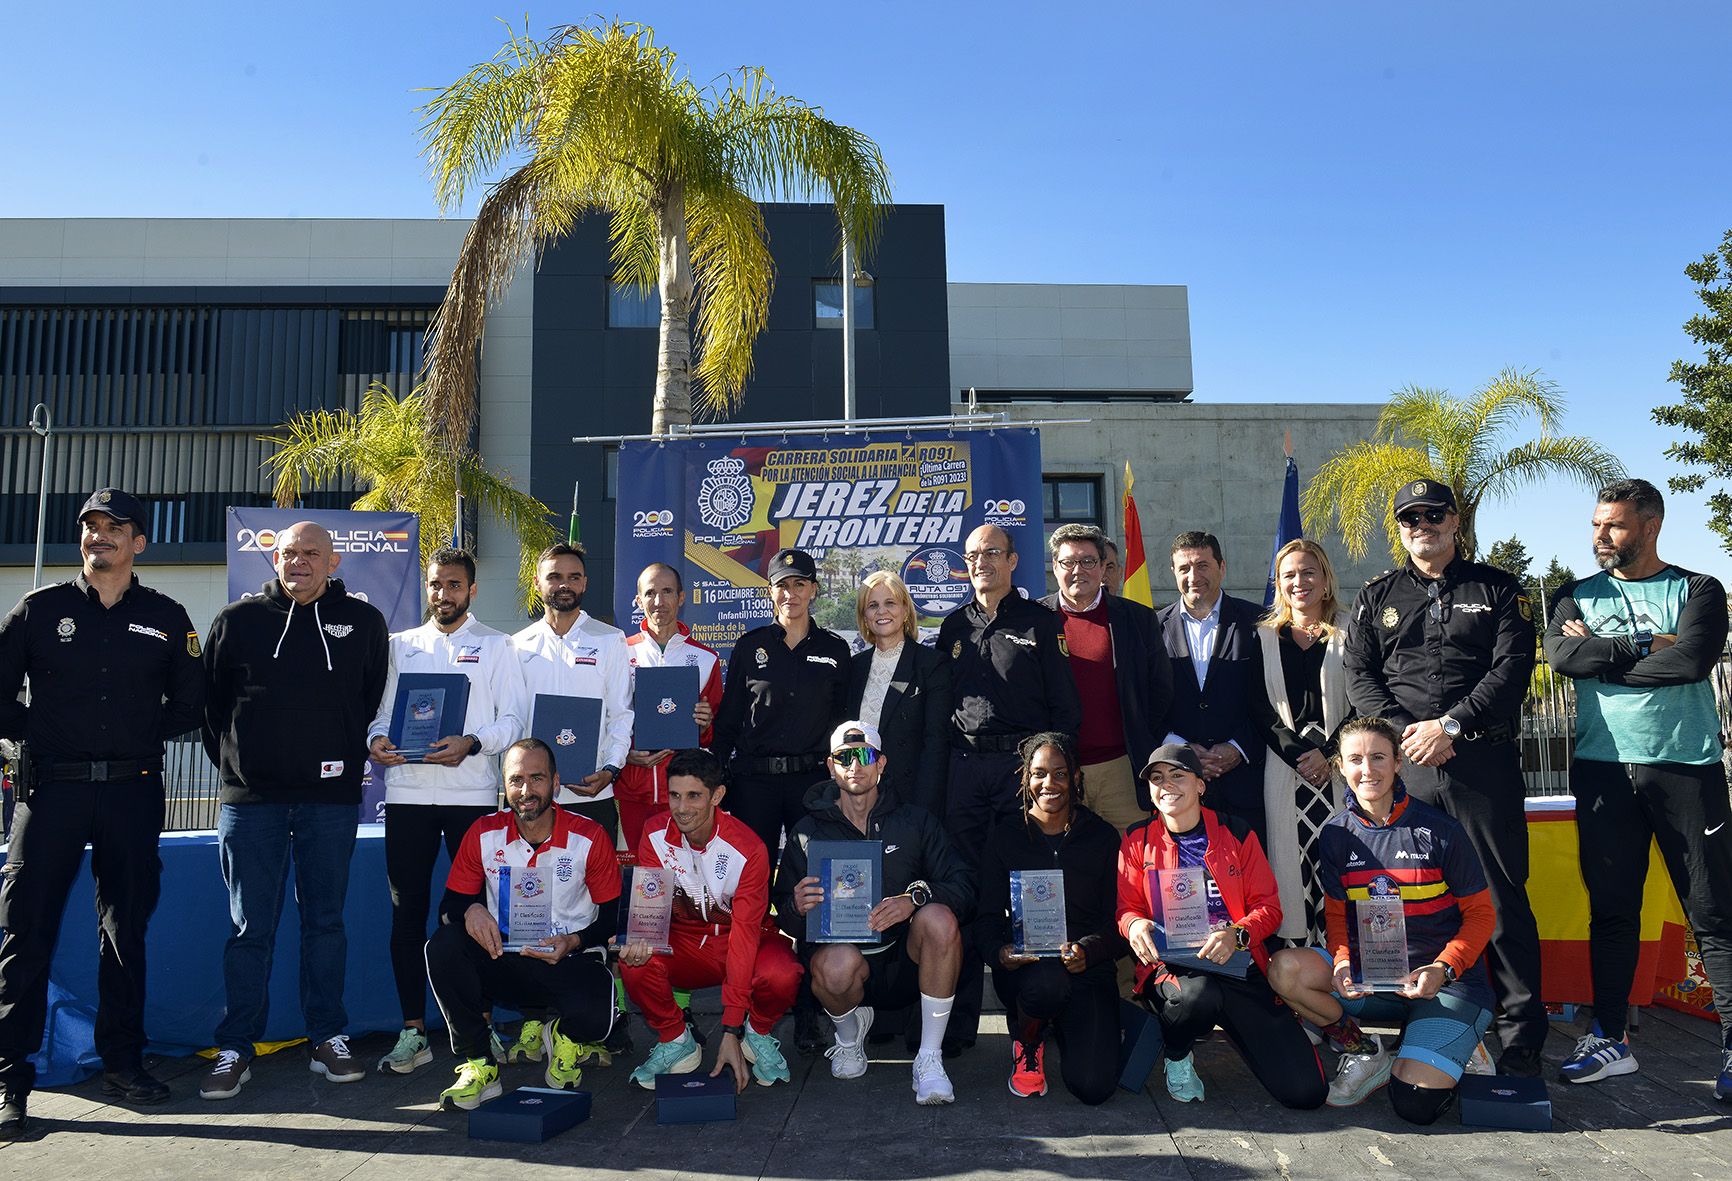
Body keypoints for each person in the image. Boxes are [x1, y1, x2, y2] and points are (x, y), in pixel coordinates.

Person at [0, 489, 203, 1134]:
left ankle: (122, 1062)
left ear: (139, 542)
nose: (101, 536)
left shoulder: (169, 617)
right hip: (50, 793)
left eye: (116, 527)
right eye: (91, 526)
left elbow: (193, 704)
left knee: (125, 932)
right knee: (24, 932)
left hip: (132, 791)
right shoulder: (38, 610)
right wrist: (39, 731)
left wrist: (140, 734)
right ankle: (10, 1079)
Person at [1344, 478, 1544, 1076]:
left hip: (1479, 764)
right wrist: (1411, 734)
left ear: (1454, 521)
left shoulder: (1499, 589)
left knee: (1500, 897)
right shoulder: (1376, 594)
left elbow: (1513, 669)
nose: (1421, 526)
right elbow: (1360, 674)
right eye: (1409, 519)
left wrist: (1451, 726)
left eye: (1433, 515)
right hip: (1406, 765)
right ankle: (1406, 1016)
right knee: (1397, 894)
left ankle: (1519, 1033)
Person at [1542, 478, 1732, 1098]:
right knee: (1612, 911)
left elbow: (1693, 662)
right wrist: (1650, 643)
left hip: (1685, 768)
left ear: (1650, 526)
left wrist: (1604, 654)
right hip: (1602, 768)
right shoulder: (1575, 594)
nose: (1600, 536)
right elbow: (1562, 659)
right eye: (1596, 524)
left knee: (1712, 911)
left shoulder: (1699, 589)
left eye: (1614, 526)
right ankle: (1610, 1039)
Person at [198, 521, 390, 1100]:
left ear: (334, 562)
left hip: (328, 804)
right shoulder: (237, 620)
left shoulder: (363, 622)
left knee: (325, 924)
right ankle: (236, 1045)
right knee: (249, 928)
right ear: (273, 558)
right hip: (251, 804)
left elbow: (370, 698)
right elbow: (209, 709)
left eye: (311, 554)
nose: (298, 562)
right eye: (287, 553)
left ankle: (326, 1036)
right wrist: (242, 768)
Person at [1267, 717, 1497, 1125]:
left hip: (1443, 983)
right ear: (1340, 766)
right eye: (1356, 759)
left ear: (1397, 765)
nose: (1367, 769)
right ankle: (1363, 1052)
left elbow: (1481, 915)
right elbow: (1337, 914)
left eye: (1378, 757)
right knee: (1286, 969)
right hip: (1373, 977)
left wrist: (1443, 967)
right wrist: (1339, 963)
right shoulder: (1335, 835)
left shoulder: (1441, 830)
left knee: (1414, 1106)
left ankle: (1458, 1039)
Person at [368, 548, 528, 1075]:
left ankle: (479, 1024)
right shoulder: (400, 646)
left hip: (471, 796)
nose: (443, 594)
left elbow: (513, 720)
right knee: (406, 914)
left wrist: (474, 742)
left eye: (454, 585)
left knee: (473, 915)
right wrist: (378, 740)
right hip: (409, 793)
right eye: (436, 585)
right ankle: (412, 1029)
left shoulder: (497, 646)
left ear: (472, 591)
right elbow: (379, 715)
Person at [775, 721, 974, 1105]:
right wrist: (795, 906)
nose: (855, 765)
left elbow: (964, 886)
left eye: (864, 755)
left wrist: (914, 899)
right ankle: (849, 1038)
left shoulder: (915, 821)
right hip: (846, 963)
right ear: (830, 767)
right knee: (832, 967)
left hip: (905, 959)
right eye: (844, 757)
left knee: (940, 919)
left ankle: (929, 1060)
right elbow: (786, 919)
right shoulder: (806, 832)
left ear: (880, 763)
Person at [1118, 744, 1326, 1109]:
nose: (1166, 785)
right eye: (1157, 778)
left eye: (1177, 776)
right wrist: (1133, 925)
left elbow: (1269, 908)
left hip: (1238, 966)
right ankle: (1178, 1054)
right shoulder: (1137, 839)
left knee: (1305, 1093)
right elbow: (1126, 909)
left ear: (1200, 785)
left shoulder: (1237, 832)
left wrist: (1237, 934)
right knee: (1198, 997)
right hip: (1173, 969)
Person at [425, 739, 619, 1110]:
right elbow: (449, 906)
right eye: (516, 780)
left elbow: (610, 918)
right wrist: (471, 911)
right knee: (444, 945)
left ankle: (562, 1034)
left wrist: (573, 940)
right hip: (505, 957)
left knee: (600, 1021)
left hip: (567, 958)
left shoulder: (589, 836)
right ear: (504, 786)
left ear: (556, 782)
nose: (526, 791)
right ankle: (479, 1064)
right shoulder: (483, 832)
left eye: (537, 778)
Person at [619, 748, 802, 1092]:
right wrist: (636, 938)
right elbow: (649, 914)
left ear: (717, 795)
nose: (681, 808)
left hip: (741, 938)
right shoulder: (654, 833)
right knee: (634, 962)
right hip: (685, 943)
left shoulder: (748, 848)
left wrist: (730, 1028)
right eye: (674, 795)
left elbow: (745, 936)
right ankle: (676, 1040)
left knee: (782, 973)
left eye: (693, 796)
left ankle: (756, 1034)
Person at [976, 732, 1124, 1104]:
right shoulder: (1005, 837)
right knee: (1046, 986)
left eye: (1060, 773)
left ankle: (1068, 1027)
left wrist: (1089, 950)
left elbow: (1119, 922)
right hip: (1030, 972)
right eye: (1039, 774)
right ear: (1025, 778)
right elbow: (985, 918)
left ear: (1075, 777)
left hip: (1087, 969)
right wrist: (1000, 953)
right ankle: (1028, 1042)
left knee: (1093, 1087)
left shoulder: (1103, 838)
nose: (1050, 784)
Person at [938, 524, 1081, 860]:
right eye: (972, 555)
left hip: (1020, 765)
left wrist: (1052, 767)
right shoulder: (953, 626)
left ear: (1012, 560)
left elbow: (1065, 703)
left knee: (1026, 858)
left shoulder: (1041, 622)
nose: (980, 562)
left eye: (991, 553)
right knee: (964, 862)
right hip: (965, 765)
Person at [710, 547, 850, 860]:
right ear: (769, 591)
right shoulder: (750, 646)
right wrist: (716, 774)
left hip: (811, 783)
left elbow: (842, 719)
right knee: (752, 869)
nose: (791, 594)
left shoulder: (835, 649)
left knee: (811, 871)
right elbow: (730, 718)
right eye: (782, 586)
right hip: (754, 784)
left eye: (799, 585)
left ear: (813, 590)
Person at [1038, 523, 1173, 834]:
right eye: (1068, 562)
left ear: (1102, 567)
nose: (1078, 570)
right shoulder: (1034, 619)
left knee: (1134, 860)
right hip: (1059, 772)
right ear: (1055, 568)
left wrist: (1142, 740)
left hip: (1122, 770)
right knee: (1069, 866)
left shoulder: (1137, 618)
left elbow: (1161, 691)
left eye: (1088, 561)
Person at [1256, 539, 1353, 946]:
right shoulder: (1262, 637)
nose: (1300, 582)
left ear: (1326, 579)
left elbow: (1364, 698)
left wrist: (1330, 753)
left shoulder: (1352, 630)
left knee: (1344, 857)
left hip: (1345, 762)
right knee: (1291, 863)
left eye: (1308, 572)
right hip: (1285, 765)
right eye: (1289, 575)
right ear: (1279, 584)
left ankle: (1349, 956)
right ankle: (1303, 961)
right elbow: (1257, 708)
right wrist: (1300, 756)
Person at [1156, 531, 1275, 842]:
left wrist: (1238, 747)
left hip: (1247, 785)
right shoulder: (1151, 629)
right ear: (1173, 572)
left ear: (1222, 567)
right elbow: (1144, 702)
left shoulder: (1260, 623)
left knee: (1250, 881)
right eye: (1184, 568)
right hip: (1180, 786)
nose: (1193, 576)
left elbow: (1275, 698)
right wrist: (1178, 747)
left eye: (1202, 565)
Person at [511, 543, 634, 841]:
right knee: (528, 886)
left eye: (574, 577)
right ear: (537, 582)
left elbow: (620, 714)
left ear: (585, 583)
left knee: (595, 887)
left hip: (591, 792)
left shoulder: (611, 639)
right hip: (531, 799)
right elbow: (511, 719)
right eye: (554, 577)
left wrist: (610, 769)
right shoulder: (515, 645)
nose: (564, 584)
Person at [617, 563, 722, 852]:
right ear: (638, 600)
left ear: (681, 597)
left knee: (684, 880)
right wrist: (624, 755)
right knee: (641, 882)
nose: (659, 602)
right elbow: (607, 721)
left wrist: (705, 724)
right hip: (632, 792)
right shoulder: (620, 652)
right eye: (650, 593)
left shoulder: (705, 658)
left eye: (667, 592)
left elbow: (713, 735)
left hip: (683, 796)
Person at [845, 570, 953, 817]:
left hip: (910, 799)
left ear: (905, 610)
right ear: (864, 615)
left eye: (890, 603)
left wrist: (922, 810)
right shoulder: (854, 667)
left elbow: (935, 743)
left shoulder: (931, 665)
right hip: (860, 799)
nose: (881, 611)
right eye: (873, 605)